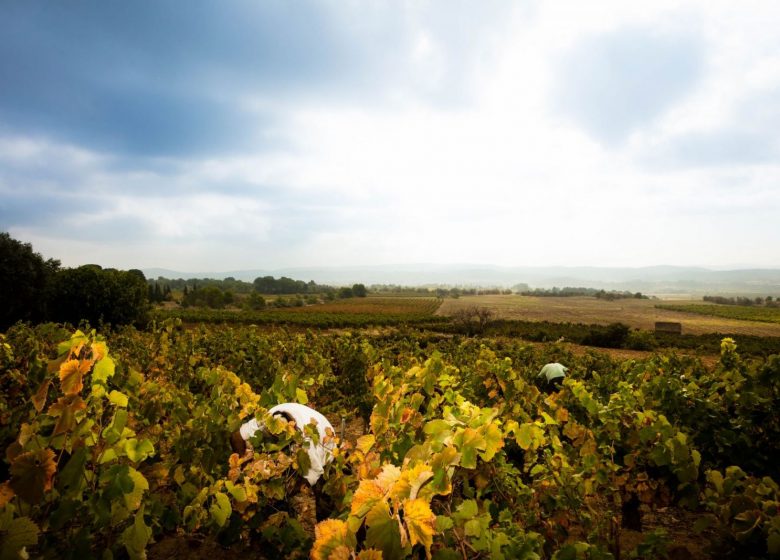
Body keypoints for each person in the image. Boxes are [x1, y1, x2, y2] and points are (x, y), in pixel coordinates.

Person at [230, 403, 336, 535]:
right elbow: (236, 436)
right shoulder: (267, 419)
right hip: (300, 430)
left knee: (323, 496)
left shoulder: (306, 442)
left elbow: (313, 475)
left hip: (327, 446)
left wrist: (285, 491)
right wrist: (241, 462)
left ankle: (326, 531)